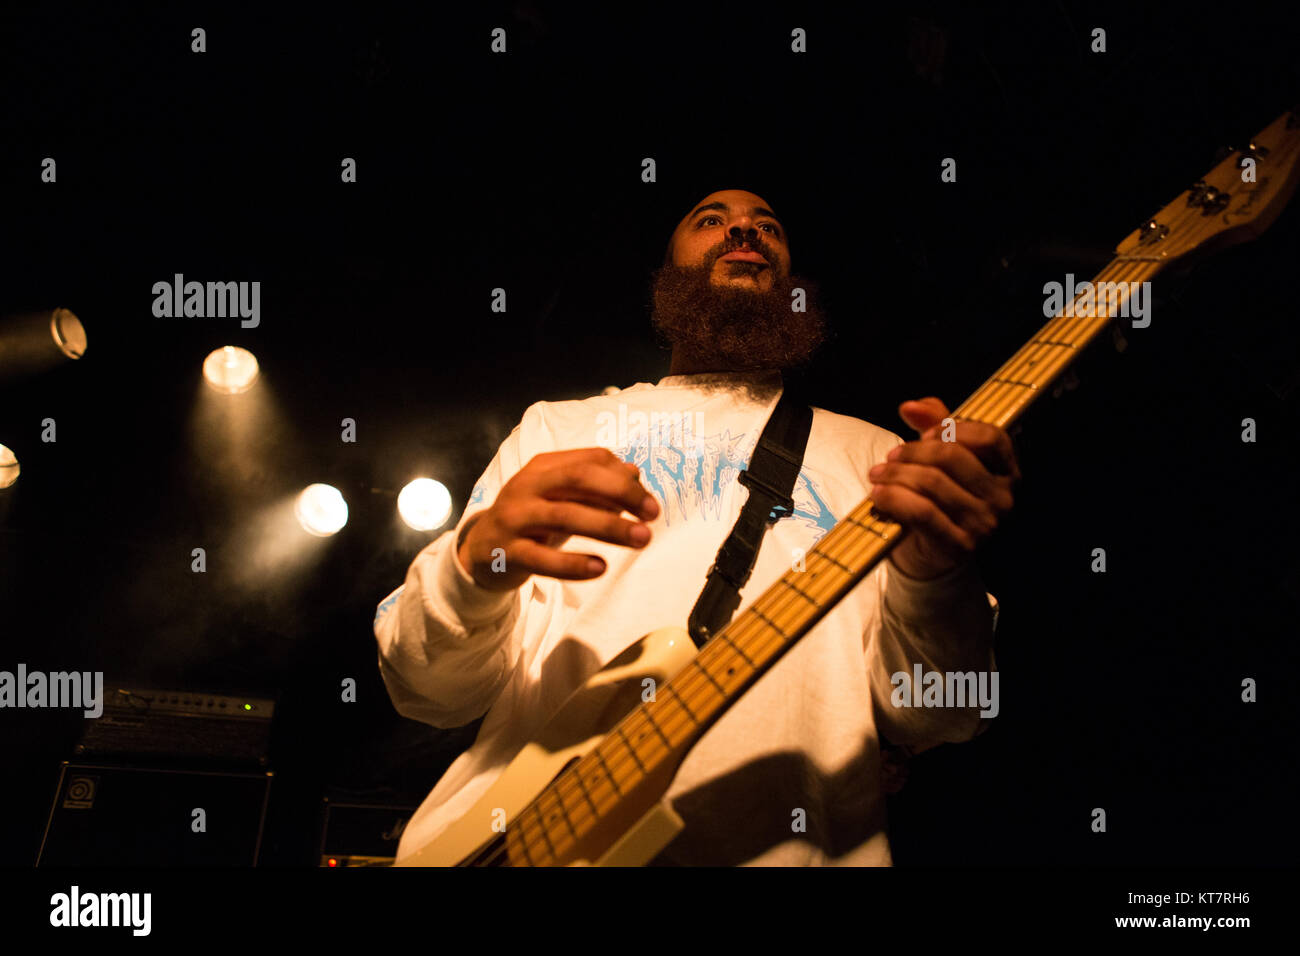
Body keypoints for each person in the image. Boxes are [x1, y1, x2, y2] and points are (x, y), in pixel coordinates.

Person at [373, 188, 1019, 865]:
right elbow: (429, 692)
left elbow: (941, 713)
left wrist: (936, 570)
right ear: (665, 276)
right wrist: (471, 570)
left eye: (768, 224)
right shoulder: (556, 430)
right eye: (711, 220)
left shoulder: (880, 459)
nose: (744, 228)